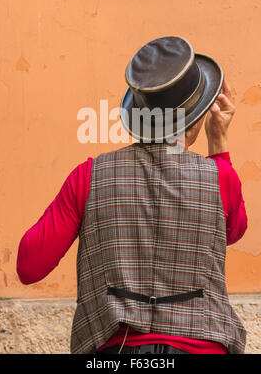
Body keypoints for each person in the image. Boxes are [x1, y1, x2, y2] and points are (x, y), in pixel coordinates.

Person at [17, 36, 247, 354]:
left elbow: (30, 267)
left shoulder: (87, 177)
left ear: (138, 118)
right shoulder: (221, 178)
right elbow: (232, 232)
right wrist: (219, 144)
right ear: (195, 124)